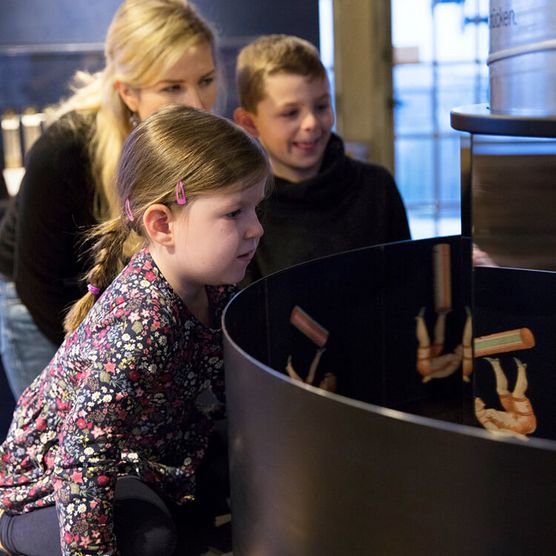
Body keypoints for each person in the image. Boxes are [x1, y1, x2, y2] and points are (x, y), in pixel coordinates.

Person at [0, 104, 270, 556]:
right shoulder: (142, 323)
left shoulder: (213, 287)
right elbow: (81, 459)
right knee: (148, 539)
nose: (256, 228)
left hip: (142, 461)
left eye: (256, 208)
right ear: (162, 224)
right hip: (45, 492)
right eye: (234, 213)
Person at [0, 0, 220, 398]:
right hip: (41, 303)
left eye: (206, 80)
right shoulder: (63, 149)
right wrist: (98, 361)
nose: (198, 103)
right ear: (128, 93)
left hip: (115, 305)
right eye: (172, 87)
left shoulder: (188, 140)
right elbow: (38, 288)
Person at [233, 34, 411, 285]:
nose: (311, 123)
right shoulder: (242, 207)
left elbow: (407, 283)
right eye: (290, 113)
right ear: (249, 122)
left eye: (321, 106)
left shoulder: (377, 186)